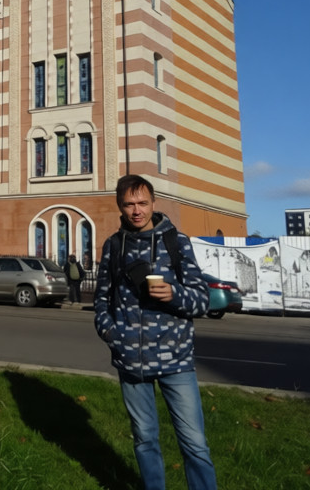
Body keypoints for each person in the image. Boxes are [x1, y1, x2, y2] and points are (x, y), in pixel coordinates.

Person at [93, 174, 217, 490]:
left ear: (153, 203)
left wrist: (173, 294)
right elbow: (101, 300)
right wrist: (112, 335)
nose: (137, 211)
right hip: (131, 362)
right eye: (129, 204)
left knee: (195, 444)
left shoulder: (176, 242)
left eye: (142, 203)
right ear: (120, 206)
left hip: (176, 361)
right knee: (145, 439)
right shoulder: (114, 246)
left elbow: (202, 300)